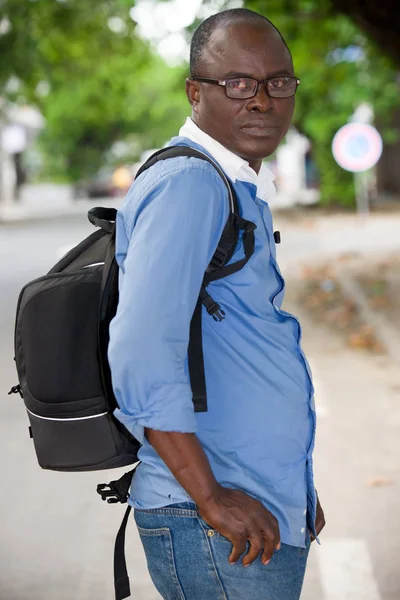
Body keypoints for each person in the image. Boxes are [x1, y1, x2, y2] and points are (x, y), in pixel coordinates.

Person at [108, 8, 325, 600]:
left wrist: (293, 487)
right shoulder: (191, 184)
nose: (261, 101)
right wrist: (209, 496)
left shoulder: (232, 184)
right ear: (194, 92)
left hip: (254, 504)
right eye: (237, 84)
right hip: (213, 521)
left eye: (277, 83)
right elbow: (142, 353)